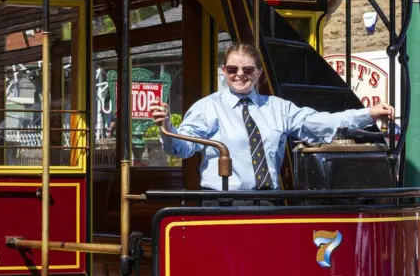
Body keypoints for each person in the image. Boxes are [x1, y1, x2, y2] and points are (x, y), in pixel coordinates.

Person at [150, 42, 394, 192]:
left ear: (259, 73)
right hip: (222, 204)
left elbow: (321, 124)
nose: (240, 75)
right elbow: (182, 148)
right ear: (224, 71)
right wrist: (166, 127)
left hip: (269, 202)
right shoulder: (207, 108)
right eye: (232, 69)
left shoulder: (278, 108)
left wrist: (368, 113)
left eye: (248, 70)